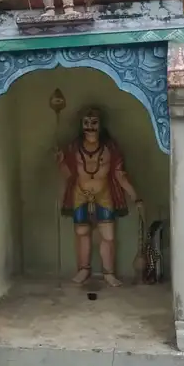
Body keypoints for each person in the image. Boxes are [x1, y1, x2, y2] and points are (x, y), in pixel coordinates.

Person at [57, 108, 144, 286]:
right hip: (80, 193)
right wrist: (60, 162)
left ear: (101, 125)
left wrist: (136, 197)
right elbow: (69, 175)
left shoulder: (110, 149)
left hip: (104, 194)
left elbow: (120, 175)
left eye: (94, 123)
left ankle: (109, 273)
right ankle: (83, 269)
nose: (90, 127)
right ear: (81, 126)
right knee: (81, 232)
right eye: (86, 123)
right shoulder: (74, 148)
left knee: (108, 235)